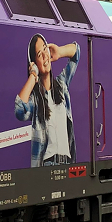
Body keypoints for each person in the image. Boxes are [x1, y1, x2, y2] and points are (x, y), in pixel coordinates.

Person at [15, 34, 79, 167]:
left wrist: (59, 52)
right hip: (47, 164)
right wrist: (33, 74)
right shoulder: (35, 101)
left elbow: (76, 53)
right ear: (34, 63)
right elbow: (20, 110)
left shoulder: (62, 86)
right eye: (39, 54)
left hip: (68, 162)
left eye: (45, 49)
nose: (45, 56)